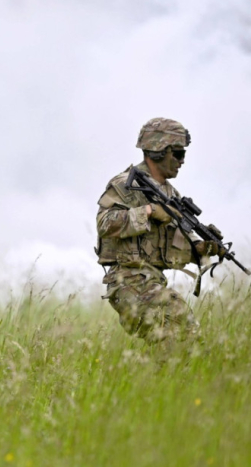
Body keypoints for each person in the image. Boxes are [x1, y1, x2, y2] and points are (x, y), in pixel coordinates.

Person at [95, 118, 222, 352]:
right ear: (159, 150)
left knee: (183, 341)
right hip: (128, 281)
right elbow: (105, 223)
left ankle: (162, 386)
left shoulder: (170, 193)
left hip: (151, 281)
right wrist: (150, 211)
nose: (182, 161)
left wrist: (202, 249)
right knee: (180, 326)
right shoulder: (126, 184)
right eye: (178, 154)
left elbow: (170, 243)